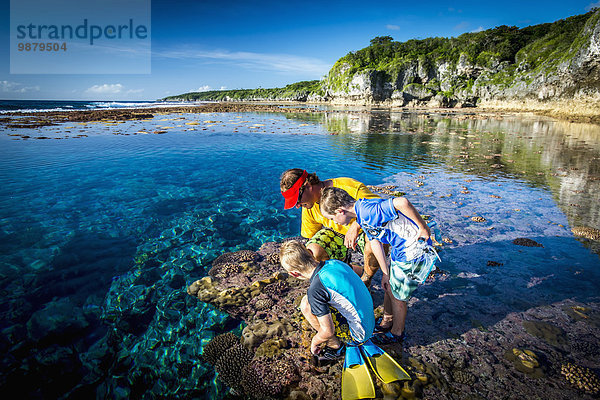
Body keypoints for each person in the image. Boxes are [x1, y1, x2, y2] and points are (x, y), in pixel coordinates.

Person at [320, 186, 436, 344]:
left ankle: (397, 333)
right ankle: (387, 322)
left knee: (397, 296)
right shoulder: (361, 216)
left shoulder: (369, 211)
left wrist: (423, 228)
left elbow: (402, 202)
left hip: (412, 250)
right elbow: (375, 243)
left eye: (332, 219)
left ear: (340, 211)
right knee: (389, 287)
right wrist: (385, 272)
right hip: (399, 249)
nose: (333, 223)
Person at [279, 169, 381, 287]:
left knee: (377, 239)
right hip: (337, 236)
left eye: (297, 199)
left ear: (308, 186)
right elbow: (310, 238)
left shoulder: (348, 187)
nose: (297, 206)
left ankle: (366, 280)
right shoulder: (308, 205)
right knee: (312, 253)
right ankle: (349, 273)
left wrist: (356, 225)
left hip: (364, 232)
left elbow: (380, 209)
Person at [279, 240, 375, 363]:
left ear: (294, 274)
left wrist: (316, 341)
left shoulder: (316, 289)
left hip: (359, 335)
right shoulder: (334, 263)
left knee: (306, 305)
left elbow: (328, 331)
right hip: (368, 319)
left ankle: (336, 346)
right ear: (310, 252)